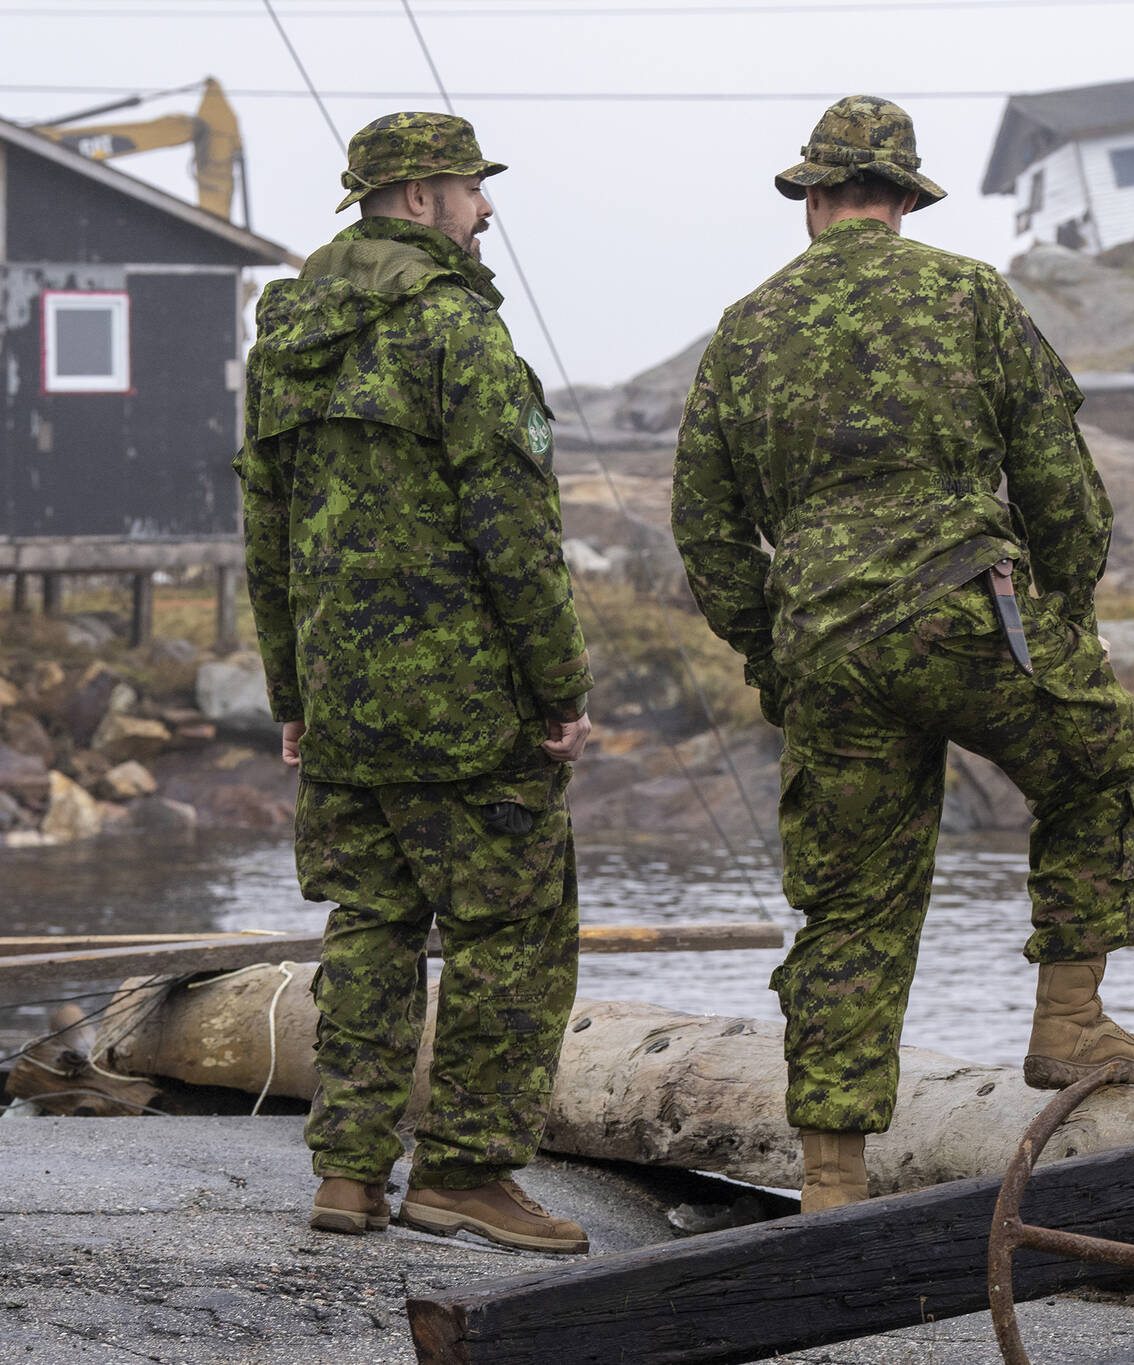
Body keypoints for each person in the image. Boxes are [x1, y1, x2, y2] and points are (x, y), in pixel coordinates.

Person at [672, 96, 1134, 1214]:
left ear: (812, 200)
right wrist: (1066, 621)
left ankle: (831, 1183)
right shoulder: (966, 294)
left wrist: (774, 655)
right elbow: (1059, 486)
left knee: (853, 905)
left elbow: (706, 531)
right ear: (902, 199)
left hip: (823, 644)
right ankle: (1068, 1022)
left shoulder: (744, 328)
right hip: (965, 606)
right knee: (1094, 768)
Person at [237, 112, 595, 1253]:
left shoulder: (284, 343)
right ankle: (463, 1176)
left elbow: (266, 535)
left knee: (373, 924)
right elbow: (514, 534)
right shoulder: (457, 332)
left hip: (344, 702)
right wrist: (558, 687)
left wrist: (291, 695)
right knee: (514, 934)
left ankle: (347, 1174)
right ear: (420, 196)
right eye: (469, 190)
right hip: (466, 707)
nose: (485, 210)